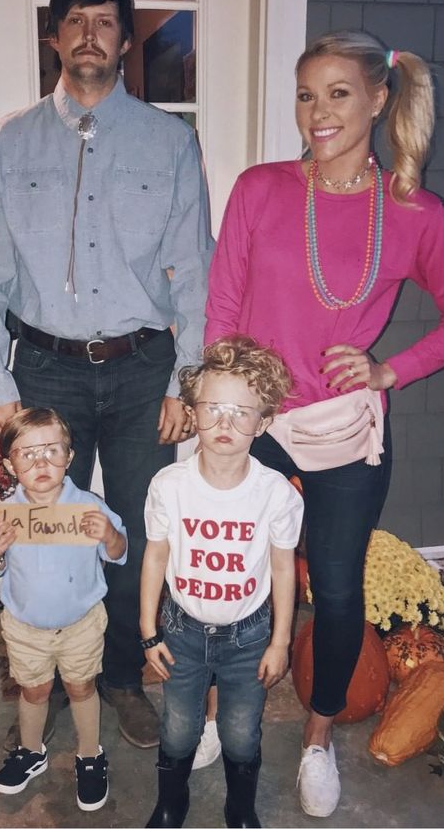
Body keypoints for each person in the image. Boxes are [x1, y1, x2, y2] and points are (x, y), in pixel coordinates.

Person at [205, 30, 444, 818]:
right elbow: (222, 309)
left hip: (344, 428)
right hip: (255, 418)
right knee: (230, 579)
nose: (317, 112)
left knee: (335, 593)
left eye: (337, 93)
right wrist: (221, 406)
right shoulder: (261, 189)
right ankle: (211, 713)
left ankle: (315, 737)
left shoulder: (411, 212)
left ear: (378, 98)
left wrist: (388, 369)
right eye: (306, 95)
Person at [0, 0, 212, 749]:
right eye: (74, 22)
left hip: (143, 370)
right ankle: (45, 668)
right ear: (54, 38)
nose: (89, 35)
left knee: (134, 523)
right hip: (46, 369)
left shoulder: (171, 143)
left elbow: (196, 272)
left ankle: (126, 675)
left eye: (104, 21)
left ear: (126, 39)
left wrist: (187, 379)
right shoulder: (12, 142)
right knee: (44, 522)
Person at [140, 335, 304, 829]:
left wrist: (280, 642)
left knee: (239, 733)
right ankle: (171, 804)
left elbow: (282, 570)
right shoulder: (169, 486)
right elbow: (154, 557)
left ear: (264, 422)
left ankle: (240, 807)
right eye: (213, 408)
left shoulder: (276, 495)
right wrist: (149, 631)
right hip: (182, 631)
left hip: (248, 636)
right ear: (192, 412)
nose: (225, 423)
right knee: (177, 729)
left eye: (242, 411)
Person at [0, 407, 127, 812]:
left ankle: (89, 753)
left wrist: (111, 535)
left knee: (82, 687)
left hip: (81, 623)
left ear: (70, 456)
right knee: (34, 689)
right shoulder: (5, 514)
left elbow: (119, 553)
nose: (41, 462)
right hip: (25, 625)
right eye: (27, 454)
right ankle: (31, 750)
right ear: (10, 464)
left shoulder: (89, 507)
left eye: (52, 451)